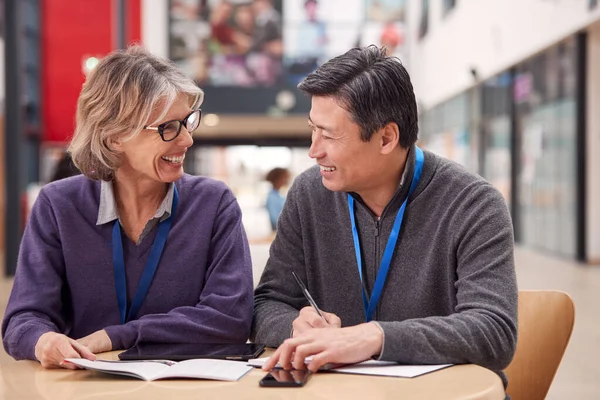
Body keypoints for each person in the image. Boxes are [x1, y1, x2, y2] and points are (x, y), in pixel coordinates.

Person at [252, 45, 517, 389]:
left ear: (387, 138)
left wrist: (374, 337)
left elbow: (493, 331)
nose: (314, 150)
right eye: (313, 129)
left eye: (329, 135)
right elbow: (267, 303)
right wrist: (294, 325)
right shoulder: (308, 194)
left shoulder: (473, 204)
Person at [2, 46, 254, 368]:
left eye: (187, 122)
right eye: (168, 128)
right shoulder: (58, 206)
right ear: (113, 136)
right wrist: (43, 341)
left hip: (186, 389)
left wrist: (114, 335)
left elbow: (231, 319)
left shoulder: (213, 203)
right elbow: (23, 319)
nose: (187, 140)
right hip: (86, 387)